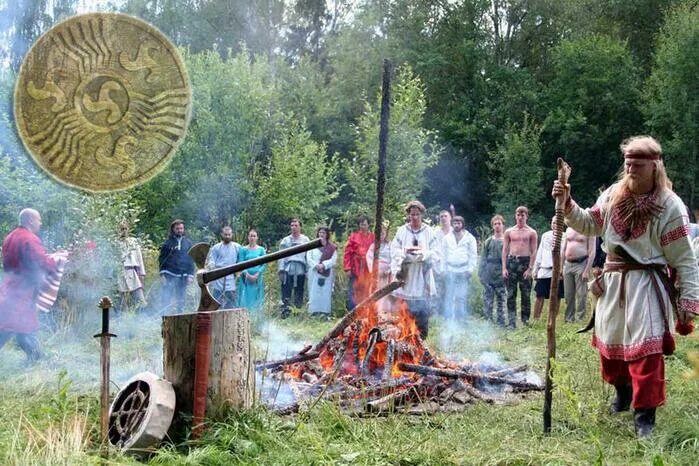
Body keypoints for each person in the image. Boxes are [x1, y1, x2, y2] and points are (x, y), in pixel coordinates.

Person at [552, 135, 698, 438]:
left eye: (637, 164)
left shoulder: (671, 206)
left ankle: (645, 414)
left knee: (646, 351)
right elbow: (589, 223)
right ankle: (623, 394)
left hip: (647, 283)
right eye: (627, 163)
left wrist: (689, 299)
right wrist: (566, 202)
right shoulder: (612, 195)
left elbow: (685, 259)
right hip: (613, 280)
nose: (630, 169)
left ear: (655, 166)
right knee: (611, 346)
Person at [0, 209, 67, 362]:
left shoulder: (10, 237)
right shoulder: (29, 238)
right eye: (39, 220)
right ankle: (37, 361)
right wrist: (58, 259)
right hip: (22, 292)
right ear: (30, 220)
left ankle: (35, 360)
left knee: (9, 327)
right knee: (24, 327)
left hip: (9, 289)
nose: (40, 223)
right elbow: (42, 263)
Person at [390, 200, 441, 338]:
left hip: (421, 273)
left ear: (422, 214)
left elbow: (436, 252)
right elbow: (394, 250)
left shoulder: (429, 231)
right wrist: (404, 254)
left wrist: (423, 254)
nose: (414, 217)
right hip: (406, 274)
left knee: (422, 310)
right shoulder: (402, 231)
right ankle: (404, 338)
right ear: (408, 215)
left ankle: (421, 340)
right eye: (412, 214)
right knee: (404, 310)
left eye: (417, 214)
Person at [501, 206, 538, 328]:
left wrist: (530, 268)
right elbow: (505, 250)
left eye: (522, 215)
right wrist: (504, 268)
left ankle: (525, 321)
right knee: (511, 294)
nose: (520, 217)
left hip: (525, 262)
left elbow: (534, 251)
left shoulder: (531, 232)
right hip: (512, 262)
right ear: (515, 216)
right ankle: (511, 322)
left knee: (526, 294)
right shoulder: (509, 231)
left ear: (526, 216)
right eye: (518, 214)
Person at [442, 216, 477, 320]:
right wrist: (443, 270)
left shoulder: (470, 238)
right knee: (449, 296)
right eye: (455, 223)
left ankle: (461, 319)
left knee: (461, 297)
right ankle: (449, 319)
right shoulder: (447, 238)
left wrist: (470, 269)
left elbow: (473, 255)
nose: (457, 225)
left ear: (462, 224)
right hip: (450, 269)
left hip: (463, 270)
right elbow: (443, 255)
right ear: (452, 224)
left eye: (459, 223)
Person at [158, 219, 195, 314]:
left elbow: (191, 260)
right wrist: (162, 274)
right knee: (166, 298)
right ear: (173, 229)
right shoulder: (167, 243)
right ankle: (164, 317)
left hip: (183, 275)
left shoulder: (188, 243)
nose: (180, 230)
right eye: (177, 228)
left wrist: (190, 275)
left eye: (181, 228)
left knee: (181, 299)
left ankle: (180, 317)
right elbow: (162, 259)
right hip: (169, 274)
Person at [532, 216, 564, 320]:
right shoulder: (545, 235)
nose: (555, 225)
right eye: (553, 222)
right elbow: (540, 252)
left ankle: (552, 319)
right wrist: (535, 268)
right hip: (544, 269)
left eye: (557, 223)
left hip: (557, 271)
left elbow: (566, 254)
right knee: (539, 295)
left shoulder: (565, 237)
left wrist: (562, 269)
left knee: (556, 296)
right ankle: (536, 318)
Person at [561, 227, 596, 322]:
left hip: (581, 263)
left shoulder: (589, 230)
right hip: (568, 264)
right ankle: (569, 318)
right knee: (568, 294)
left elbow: (592, 252)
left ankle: (580, 318)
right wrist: (561, 267)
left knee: (581, 294)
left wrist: (586, 271)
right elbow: (563, 249)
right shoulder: (568, 229)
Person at [479, 215, 507, 326]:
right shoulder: (488, 241)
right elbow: (483, 258)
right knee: (488, 298)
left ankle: (501, 321)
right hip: (489, 271)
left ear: (503, 225)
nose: (497, 226)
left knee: (501, 297)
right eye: (495, 224)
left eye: (499, 223)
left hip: (501, 271)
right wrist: (481, 273)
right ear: (492, 226)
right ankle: (488, 320)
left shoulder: (506, 240)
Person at [278, 218, 309, 318]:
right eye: (292, 225)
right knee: (286, 291)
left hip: (300, 268)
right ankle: (285, 312)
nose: (294, 227)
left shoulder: (305, 240)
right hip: (288, 268)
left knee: (299, 291)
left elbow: (308, 256)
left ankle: (297, 313)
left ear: (300, 227)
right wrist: (281, 270)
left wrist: (308, 271)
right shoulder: (286, 240)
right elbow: (281, 256)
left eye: (296, 225)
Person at [343, 214, 374, 311]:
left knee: (367, 289)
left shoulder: (373, 237)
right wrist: (347, 268)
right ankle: (352, 311)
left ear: (368, 225)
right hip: (356, 266)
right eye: (361, 224)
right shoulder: (354, 236)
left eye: (365, 224)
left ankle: (366, 311)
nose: (363, 226)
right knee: (353, 289)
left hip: (368, 267)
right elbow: (347, 253)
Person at [205, 226, 240, 309]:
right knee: (216, 302)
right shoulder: (216, 248)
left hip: (231, 277)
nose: (227, 236)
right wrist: (211, 267)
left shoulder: (237, 247)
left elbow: (240, 260)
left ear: (232, 235)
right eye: (225, 234)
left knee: (231, 303)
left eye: (229, 234)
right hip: (218, 277)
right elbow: (211, 261)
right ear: (222, 234)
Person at [116, 220, 147, 312]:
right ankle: (121, 319)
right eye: (122, 229)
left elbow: (139, 258)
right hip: (120, 272)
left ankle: (141, 318)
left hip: (133, 272)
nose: (124, 231)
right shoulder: (115, 242)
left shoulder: (133, 241)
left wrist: (141, 273)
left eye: (125, 228)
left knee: (140, 299)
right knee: (121, 301)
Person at [307, 227, 338, 317]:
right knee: (313, 292)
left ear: (327, 234)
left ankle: (325, 312)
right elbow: (308, 258)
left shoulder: (332, 247)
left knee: (325, 292)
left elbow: (333, 260)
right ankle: (313, 312)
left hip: (327, 273)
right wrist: (316, 265)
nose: (321, 234)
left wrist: (323, 265)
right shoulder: (312, 245)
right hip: (314, 272)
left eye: (323, 233)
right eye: (320, 232)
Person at [237, 229, 266, 313]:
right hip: (246, 278)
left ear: (257, 238)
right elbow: (241, 263)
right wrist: (247, 274)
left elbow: (264, 264)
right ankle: (244, 314)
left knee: (257, 297)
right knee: (245, 297)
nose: (252, 238)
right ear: (248, 237)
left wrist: (257, 274)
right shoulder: (243, 249)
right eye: (251, 236)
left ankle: (256, 315)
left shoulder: (261, 249)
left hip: (258, 278)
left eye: (254, 236)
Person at [366, 221, 392, 313]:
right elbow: (369, 258)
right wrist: (375, 269)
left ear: (385, 234)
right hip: (376, 272)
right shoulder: (373, 246)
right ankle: (374, 310)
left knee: (386, 292)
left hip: (387, 273)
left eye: (383, 233)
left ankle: (384, 311)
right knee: (375, 290)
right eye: (379, 233)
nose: (381, 235)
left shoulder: (390, 245)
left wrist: (388, 269)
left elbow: (394, 258)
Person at [433, 210, 453, 316]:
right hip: (438, 266)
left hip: (451, 267)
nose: (443, 218)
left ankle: (449, 314)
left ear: (450, 218)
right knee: (436, 291)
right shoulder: (435, 233)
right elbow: (433, 250)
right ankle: (436, 315)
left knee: (450, 291)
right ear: (439, 219)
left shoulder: (455, 232)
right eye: (441, 217)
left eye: (445, 216)